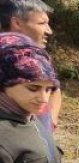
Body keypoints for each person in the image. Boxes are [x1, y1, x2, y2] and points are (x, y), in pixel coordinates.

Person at [0, 0, 58, 128]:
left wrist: (50, 122)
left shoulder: (38, 57)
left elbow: (56, 90)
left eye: (47, 89)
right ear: (17, 23)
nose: (49, 31)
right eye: (42, 23)